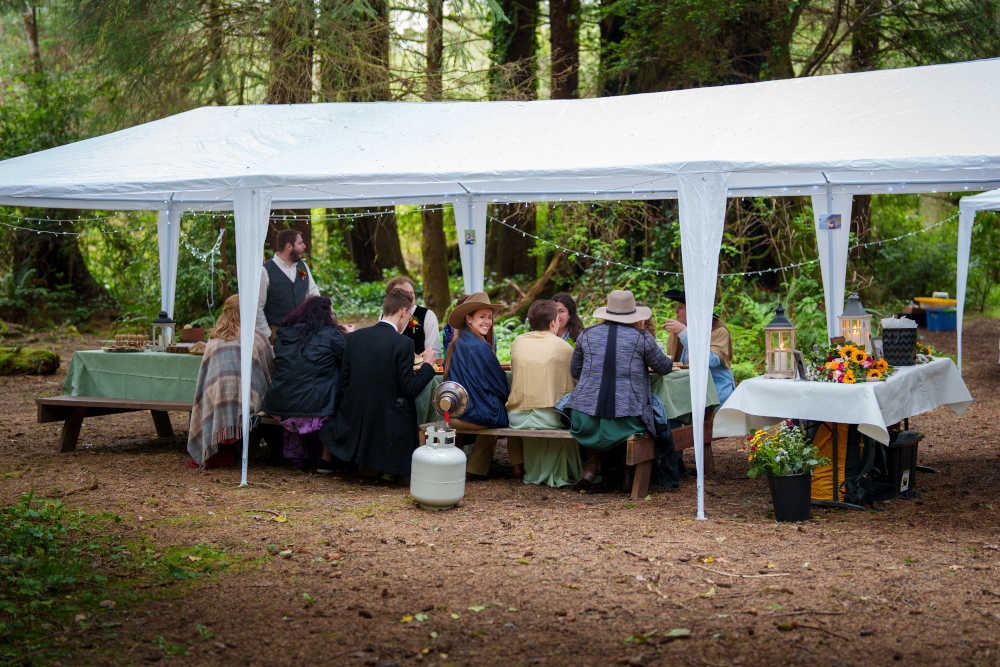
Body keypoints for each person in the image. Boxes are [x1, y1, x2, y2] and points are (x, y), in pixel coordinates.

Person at [563, 289, 673, 487]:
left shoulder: (586, 335)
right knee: (643, 412)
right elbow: (664, 367)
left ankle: (591, 468)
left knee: (599, 414)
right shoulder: (642, 337)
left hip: (584, 419)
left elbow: (575, 370)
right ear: (633, 315)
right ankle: (627, 473)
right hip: (627, 420)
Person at [328, 288, 436, 481]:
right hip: (388, 421)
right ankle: (391, 464)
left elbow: (344, 381)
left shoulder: (354, 338)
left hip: (354, 416)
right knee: (405, 403)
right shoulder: (403, 343)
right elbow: (410, 388)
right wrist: (428, 365)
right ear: (403, 312)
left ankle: (365, 462)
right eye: (408, 316)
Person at [188, 294, 274, 468]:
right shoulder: (256, 338)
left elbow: (204, 380)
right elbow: (269, 370)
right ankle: (245, 447)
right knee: (262, 395)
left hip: (217, 402)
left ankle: (219, 447)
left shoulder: (213, 341)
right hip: (249, 403)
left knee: (211, 395)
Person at [262, 296, 346, 471]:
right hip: (316, 407)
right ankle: (326, 457)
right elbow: (347, 359)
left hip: (280, 404)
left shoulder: (284, 334)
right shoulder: (332, 335)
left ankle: (296, 454)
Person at [506, 300, 580, 487]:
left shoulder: (517, 342)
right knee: (566, 418)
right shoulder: (564, 347)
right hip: (549, 418)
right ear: (553, 323)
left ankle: (534, 472)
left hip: (516, 417)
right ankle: (560, 474)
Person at [443, 292, 516, 478]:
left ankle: (474, 467)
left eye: (489, 317)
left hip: (455, 409)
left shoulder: (458, 341)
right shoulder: (481, 346)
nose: (487, 322)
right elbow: (500, 385)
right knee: (509, 415)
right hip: (475, 413)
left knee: (495, 409)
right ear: (469, 319)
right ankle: (517, 467)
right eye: (481, 317)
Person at [662, 289, 736, 405]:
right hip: (690, 394)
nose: (676, 311)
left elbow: (710, 361)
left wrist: (684, 334)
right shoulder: (680, 332)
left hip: (717, 397)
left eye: (681, 307)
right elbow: (674, 362)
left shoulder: (718, 330)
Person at [256, 228, 320, 341]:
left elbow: (314, 295)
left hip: (303, 332)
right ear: (289, 246)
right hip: (278, 334)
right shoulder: (265, 271)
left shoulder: (302, 267)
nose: (304, 246)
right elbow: (257, 307)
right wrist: (268, 334)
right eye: (300, 243)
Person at [385, 276, 442, 359]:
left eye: (411, 293)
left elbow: (434, 353)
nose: (410, 297)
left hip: (419, 370)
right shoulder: (386, 316)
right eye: (403, 294)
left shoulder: (427, 315)